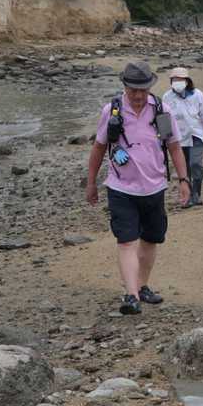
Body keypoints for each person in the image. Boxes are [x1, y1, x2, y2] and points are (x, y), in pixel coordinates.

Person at [84, 62, 192, 315]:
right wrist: (91, 183)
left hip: (155, 187)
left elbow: (174, 147)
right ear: (125, 86)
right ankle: (131, 295)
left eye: (143, 90)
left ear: (149, 87)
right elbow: (99, 147)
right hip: (121, 187)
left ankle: (142, 286)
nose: (138, 95)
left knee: (151, 239)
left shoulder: (161, 111)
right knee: (126, 241)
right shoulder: (112, 111)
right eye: (133, 90)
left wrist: (184, 181)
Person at [161, 67, 203, 207]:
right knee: (184, 169)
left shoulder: (197, 95)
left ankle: (196, 193)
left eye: (180, 79)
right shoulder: (167, 97)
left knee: (195, 164)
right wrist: (163, 139)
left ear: (187, 81)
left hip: (195, 135)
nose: (177, 82)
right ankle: (188, 196)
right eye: (175, 79)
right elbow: (164, 120)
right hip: (178, 139)